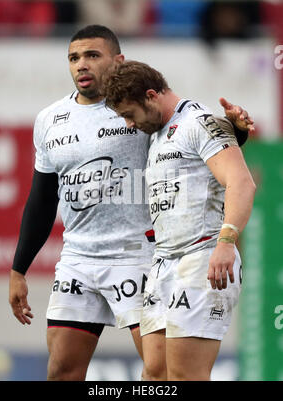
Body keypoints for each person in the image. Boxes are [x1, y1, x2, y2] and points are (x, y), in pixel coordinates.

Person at [9, 25, 254, 381]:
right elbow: (42, 197)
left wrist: (236, 132)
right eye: (74, 58)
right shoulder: (54, 120)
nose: (81, 65)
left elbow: (214, 156)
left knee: (178, 374)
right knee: (128, 374)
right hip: (99, 260)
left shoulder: (160, 114)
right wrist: (19, 267)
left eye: (92, 55)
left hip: (151, 254)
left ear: (119, 62)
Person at [102, 60, 256, 381]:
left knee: (186, 376)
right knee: (154, 374)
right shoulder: (157, 134)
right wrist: (237, 131)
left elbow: (241, 182)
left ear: (151, 96)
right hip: (164, 264)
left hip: (202, 258)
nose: (129, 125)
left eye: (130, 115)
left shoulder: (199, 122)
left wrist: (226, 241)